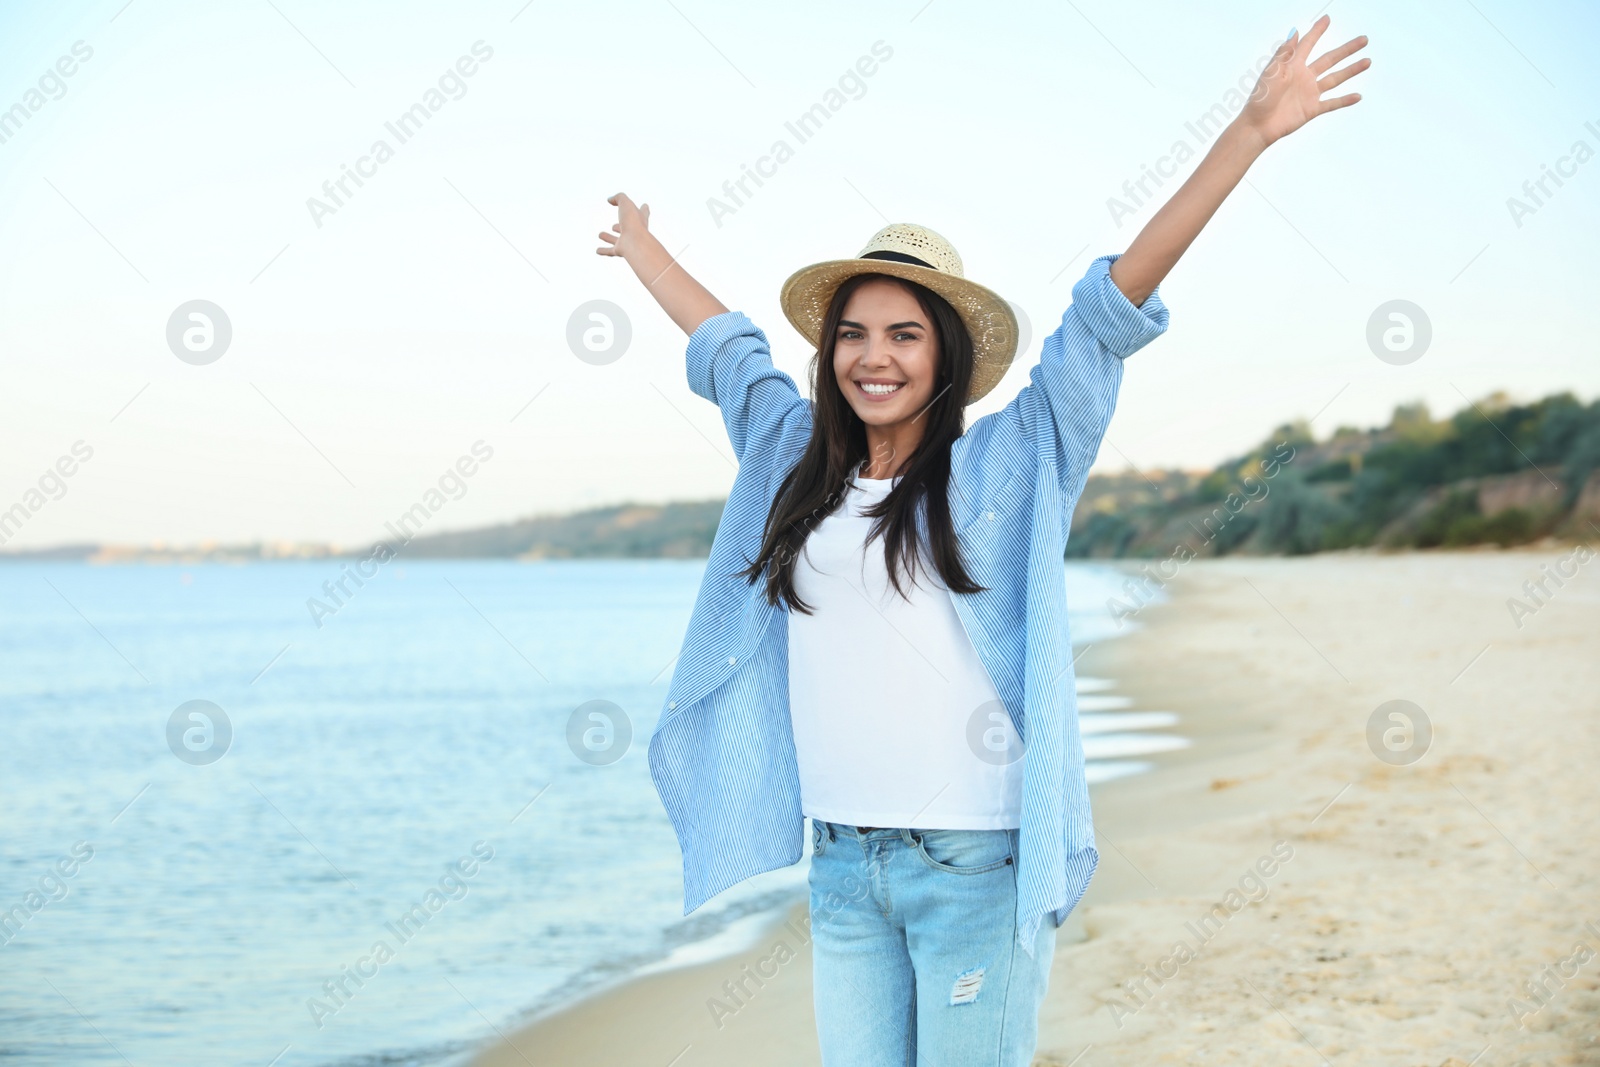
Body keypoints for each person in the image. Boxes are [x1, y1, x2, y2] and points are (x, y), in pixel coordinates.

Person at [598, 16, 1368, 1064]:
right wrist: (648, 253)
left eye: (904, 334)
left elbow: (1109, 309)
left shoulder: (1006, 463)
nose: (875, 357)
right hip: (842, 868)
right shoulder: (789, 456)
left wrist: (1245, 132)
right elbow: (728, 347)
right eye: (854, 334)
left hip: (972, 865)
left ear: (946, 353)